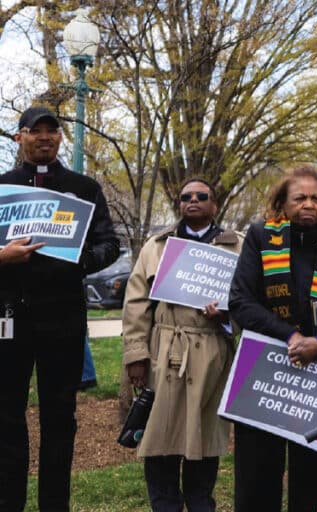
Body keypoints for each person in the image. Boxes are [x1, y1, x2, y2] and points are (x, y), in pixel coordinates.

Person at [0, 105, 120, 511]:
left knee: (59, 420)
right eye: (36, 131)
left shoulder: (84, 188)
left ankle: (55, 504)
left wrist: (80, 260)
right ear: (20, 137)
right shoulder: (2, 187)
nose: (45, 137)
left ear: (60, 139)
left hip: (63, 320)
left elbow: (110, 244)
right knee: (7, 419)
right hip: (9, 317)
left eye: (52, 131)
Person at [229, 164, 317, 512]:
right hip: (265, 370)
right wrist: (290, 336)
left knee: (314, 475)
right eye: (299, 197)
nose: (309, 204)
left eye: (316, 198)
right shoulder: (260, 237)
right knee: (257, 474)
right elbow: (241, 301)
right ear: (283, 203)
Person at [121, 178, 243, 511]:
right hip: (164, 353)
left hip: (213, 355)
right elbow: (135, 304)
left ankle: (201, 502)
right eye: (185, 197)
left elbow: (250, 302)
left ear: (214, 205)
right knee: (159, 440)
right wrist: (136, 355)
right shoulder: (156, 246)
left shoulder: (238, 247)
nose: (193, 201)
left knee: (203, 441)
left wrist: (227, 316)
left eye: (201, 196)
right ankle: (164, 505)